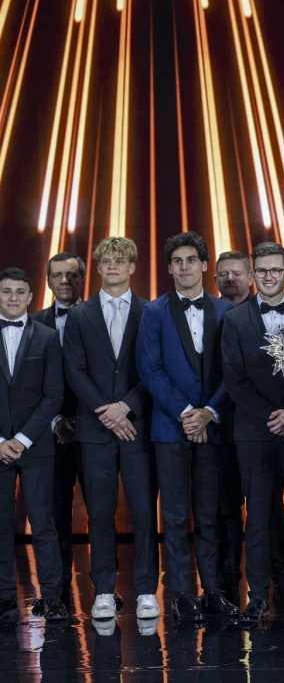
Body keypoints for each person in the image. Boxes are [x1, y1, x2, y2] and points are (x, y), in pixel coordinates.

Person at [136, 232, 234, 621]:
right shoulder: (154, 312)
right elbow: (149, 368)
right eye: (177, 261)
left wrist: (208, 412)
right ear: (170, 267)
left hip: (212, 426)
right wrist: (188, 413)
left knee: (208, 514)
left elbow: (233, 371)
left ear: (205, 265)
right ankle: (181, 594)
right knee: (175, 516)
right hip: (170, 426)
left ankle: (212, 591)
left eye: (191, 259)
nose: (185, 267)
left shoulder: (226, 311)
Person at [220, 242, 284, 623]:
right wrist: (273, 417)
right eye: (262, 271)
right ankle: (257, 596)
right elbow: (234, 381)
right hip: (255, 431)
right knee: (257, 517)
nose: (269, 276)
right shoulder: (234, 319)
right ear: (253, 275)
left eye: (276, 270)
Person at [62, 237, 158, 621]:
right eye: (106, 261)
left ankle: (147, 590)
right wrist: (108, 412)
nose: (113, 266)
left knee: (143, 511)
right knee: (99, 513)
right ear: (98, 268)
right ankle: (104, 590)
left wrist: (126, 407)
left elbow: (153, 367)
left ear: (133, 267)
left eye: (121, 261)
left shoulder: (151, 312)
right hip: (96, 429)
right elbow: (75, 371)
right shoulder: (79, 315)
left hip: (137, 427)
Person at [0, 268, 67, 623]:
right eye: (6, 291)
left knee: (44, 524)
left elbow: (53, 394)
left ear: (31, 297)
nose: (12, 297)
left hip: (36, 445)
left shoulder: (46, 336)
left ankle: (53, 597)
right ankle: (3, 597)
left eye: (19, 292)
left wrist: (21, 439)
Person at [30, 252, 84, 610]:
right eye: (58, 275)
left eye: (72, 274)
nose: (65, 281)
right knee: (54, 515)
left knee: (101, 513)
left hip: (95, 429)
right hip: (48, 435)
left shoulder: (99, 316)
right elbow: (28, 387)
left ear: (82, 279)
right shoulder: (31, 323)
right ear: (47, 281)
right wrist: (55, 423)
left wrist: (82, 421)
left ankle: (105, 592)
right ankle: (57, 594)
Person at [214, 251, 251, 599]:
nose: (229, 279)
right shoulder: (212, 316)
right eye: (223, 274)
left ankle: (278, 578)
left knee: (267, 509)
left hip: (261, 426)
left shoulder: (274, 314)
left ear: (250, 277)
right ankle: (226, 583)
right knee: (224, 509)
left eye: (236, 273)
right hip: (219, 428)